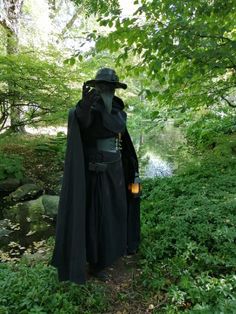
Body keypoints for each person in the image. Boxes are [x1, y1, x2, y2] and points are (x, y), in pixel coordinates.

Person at [50, 68, 140, 284]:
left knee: (115, 213)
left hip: (116, 172)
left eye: (110, 87)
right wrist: (83, 108)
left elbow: (118, 130)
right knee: (96, 217)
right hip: (95, 175)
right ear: (96, 87)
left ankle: (114, 251)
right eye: (102, 86)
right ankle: (96, 261)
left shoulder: (118, 111)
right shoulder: (88, 108)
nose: (106, 90)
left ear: (115, 89)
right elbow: (81, 123)